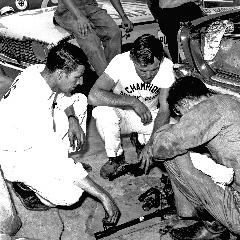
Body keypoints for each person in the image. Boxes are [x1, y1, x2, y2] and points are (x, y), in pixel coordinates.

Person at [0, 42, 120, 229]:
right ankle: (25, 187)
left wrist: (72, 118)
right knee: (70, 194)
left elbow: (61, 95)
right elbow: (54, 158)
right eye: (77, 77)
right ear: (61, 73)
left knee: (78, 100)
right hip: (16, 156)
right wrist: (104, 196)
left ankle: (67, 171)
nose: (80, 82)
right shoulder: (32, 107)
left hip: (27, 136)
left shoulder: (39, 71)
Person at [140, 76, 240, 239]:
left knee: (165, 136)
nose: (181, 118)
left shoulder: (208, 108)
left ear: (183, 105)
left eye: (179, 114)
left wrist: (154, 143)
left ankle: (214, 227)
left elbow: (161, 149)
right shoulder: (228, 102)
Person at [88, 34, 175, 180]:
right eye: (142, 70)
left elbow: (165, 110)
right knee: (103, 113)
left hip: (148, 116)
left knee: (175, 128)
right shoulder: (120, 62)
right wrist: (132, 102)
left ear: (160, 60)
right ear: (133, 60)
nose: (148, 76)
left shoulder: (166, 66)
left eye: (154, 70)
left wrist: (151, 144)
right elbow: (93, 96)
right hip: (122, 115)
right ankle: (116, 157)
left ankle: (142, 141)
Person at [54, 0, 133, 77]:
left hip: (90, 6)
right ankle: (106, 80)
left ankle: (113, 72)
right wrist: (79, 17)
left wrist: (123, 16)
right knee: (90, 39)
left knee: (114, 32)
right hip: (68, 11)